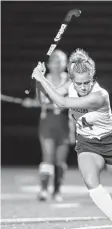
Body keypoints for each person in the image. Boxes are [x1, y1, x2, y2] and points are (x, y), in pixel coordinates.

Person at [30, 49, 112, 229]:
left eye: (86, 83)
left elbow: (62, 102)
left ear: (92, 78)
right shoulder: (70, 85)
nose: (83, 87)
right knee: (91, 181)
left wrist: (41, 79)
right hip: (86, 142)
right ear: (72, 80)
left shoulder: (100, 95)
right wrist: (38, 79)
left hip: (111, 141)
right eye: (78, 83)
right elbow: (50, 99)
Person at [22, 50, 75, 202]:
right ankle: (44, 189)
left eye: (60, 61)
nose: (57, 64)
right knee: (48, 157)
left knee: (60, 160)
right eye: (54, 61)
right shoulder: (44, 79)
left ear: (65, 64)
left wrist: (48, 104)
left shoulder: (69, 80)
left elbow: (70, 103)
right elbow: (40, 100)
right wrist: (31, 103)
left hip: (65, 123)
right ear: (49, 64)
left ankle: (57, 191)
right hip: (47, 123)